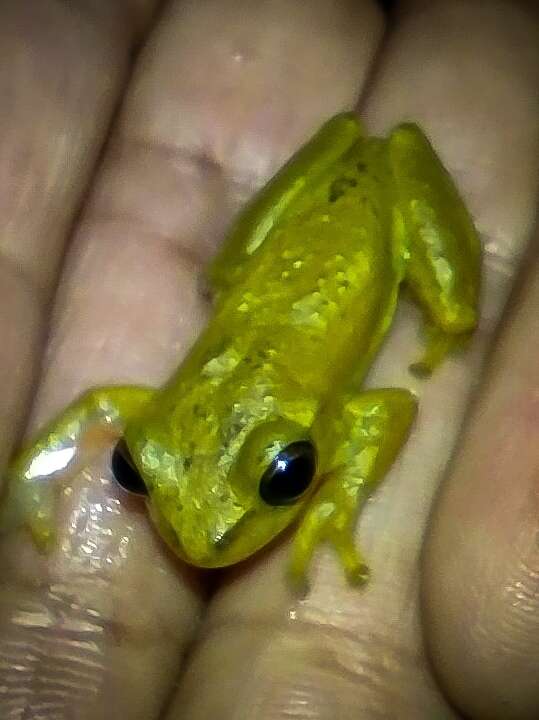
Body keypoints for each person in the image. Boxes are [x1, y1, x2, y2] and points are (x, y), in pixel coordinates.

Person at [0, 1, 537, 718]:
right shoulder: (162, 423)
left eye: (283, 474)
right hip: (284, 274)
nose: (194, 534)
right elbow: (106, 409)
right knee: (233, 271)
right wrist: (33, 475)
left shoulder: (313, 417)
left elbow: (389, 409)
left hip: (377, 220)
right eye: (137, 466)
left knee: (456, 310)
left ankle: (406, 213)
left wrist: (338, 491)